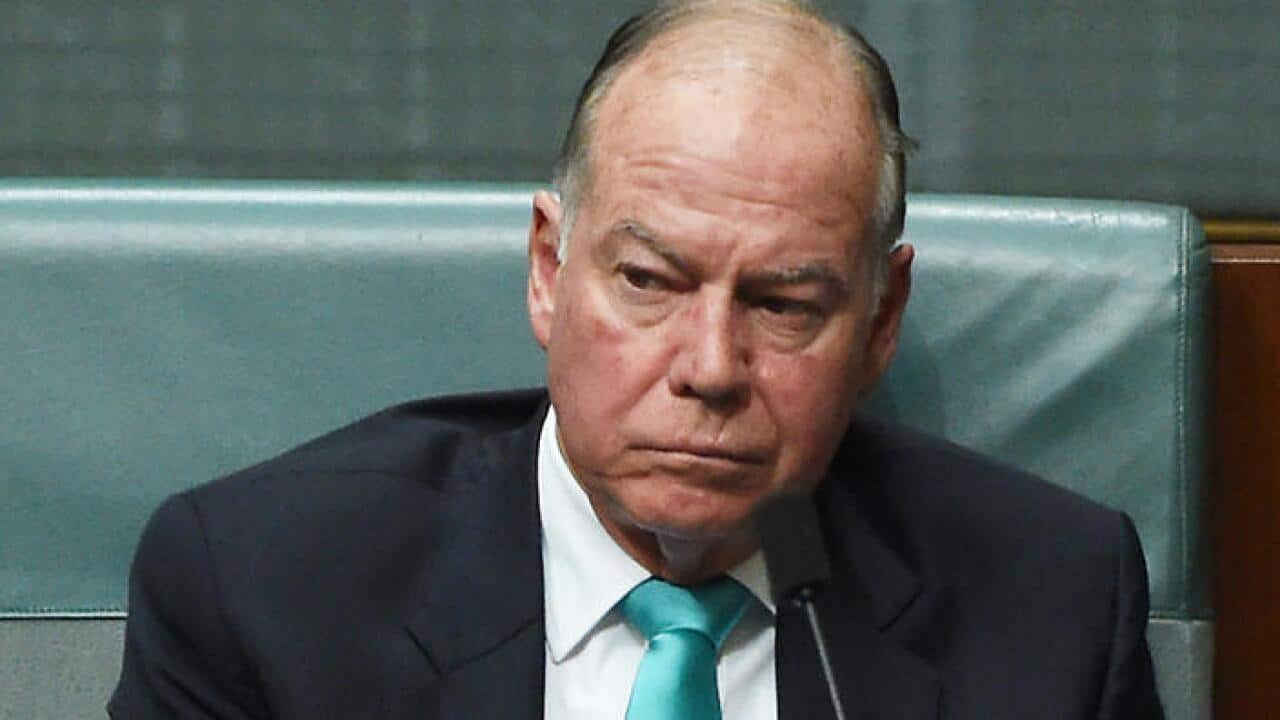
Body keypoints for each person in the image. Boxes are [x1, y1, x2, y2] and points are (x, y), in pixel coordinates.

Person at [109, 1, 1163, 718]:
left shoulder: (1049, 607)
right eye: (649, 284)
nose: (709, 368)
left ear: (880, 319)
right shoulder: (259, 588)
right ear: (546, 268)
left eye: (784, 302)